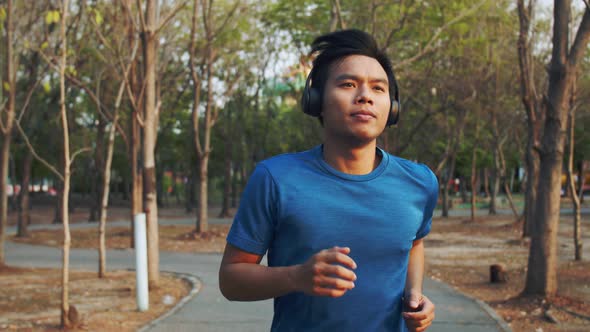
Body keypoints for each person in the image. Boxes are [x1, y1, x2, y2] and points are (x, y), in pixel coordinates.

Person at [219, 29, 438, 332]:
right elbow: (230, 280)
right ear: (316, 99)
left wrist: (413, 293)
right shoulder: (275, 178)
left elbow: (414, 242)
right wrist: (296, 277)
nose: (365, 96)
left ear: (393, 107)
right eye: (348, 84)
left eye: (378, 88)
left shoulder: (420, 181)